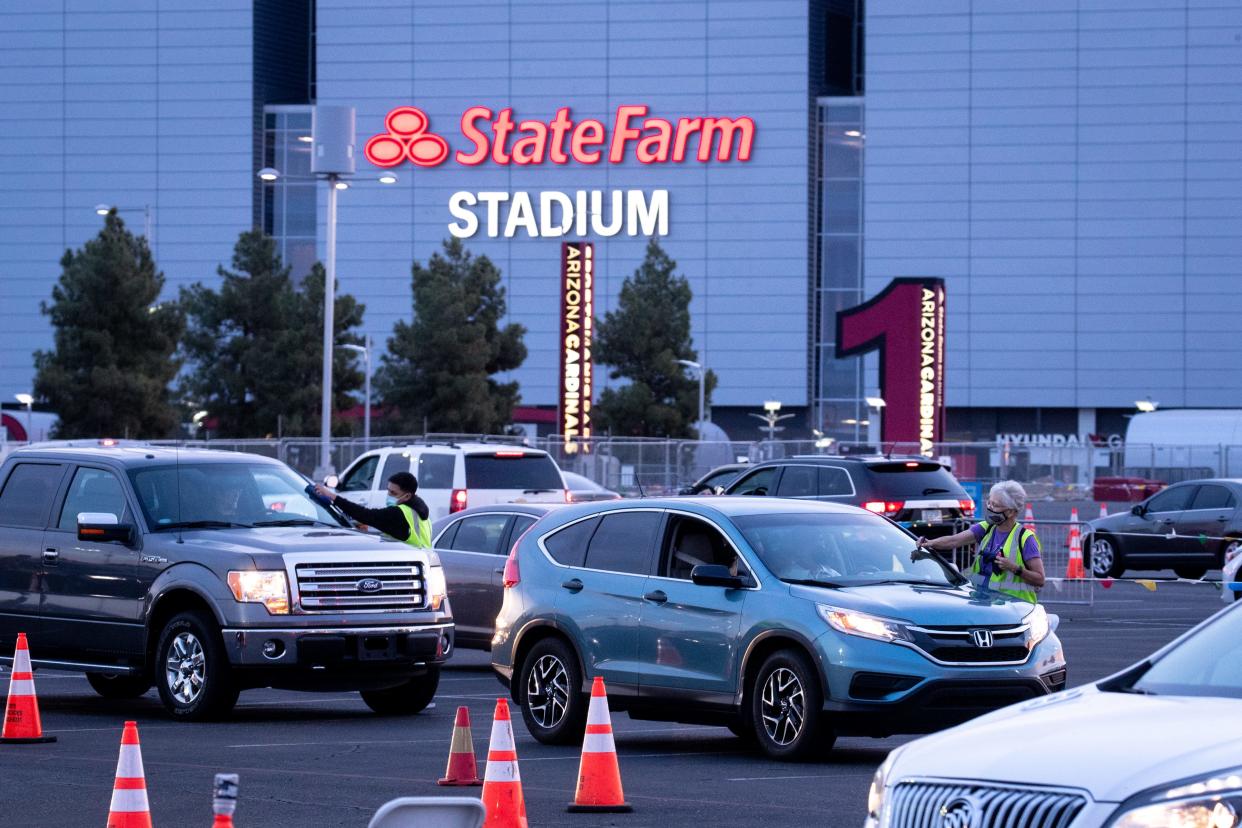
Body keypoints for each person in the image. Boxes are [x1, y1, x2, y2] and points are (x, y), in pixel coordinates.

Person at [918, 480, 1045, 603]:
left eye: (995, 505)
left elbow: (1040, 579)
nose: (989, 507)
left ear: (1010, 511)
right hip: (984, 603)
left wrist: (1014, 568)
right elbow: (953, 541)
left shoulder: (1025, 539)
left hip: (1016, 608)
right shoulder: (986, 528)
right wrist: (929, 543)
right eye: (989, 503)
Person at [315, 471, 431, 548]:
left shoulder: (399, 513)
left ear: (407, 496)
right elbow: (397, 532)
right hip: (422, 562)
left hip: (408, 564)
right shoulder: (421, 514)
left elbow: (365, 514)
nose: (388, 494)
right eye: (388, 490)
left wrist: (331, 495)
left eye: (393, 492)